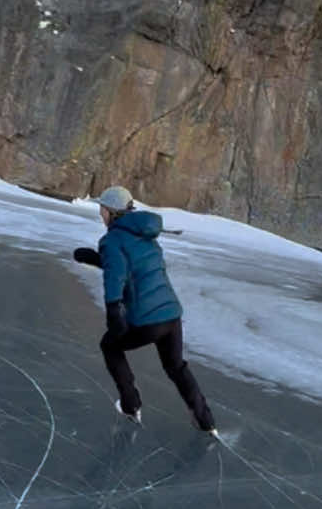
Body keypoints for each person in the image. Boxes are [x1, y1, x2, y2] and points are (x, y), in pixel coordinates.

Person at [73, 185, 216, 433]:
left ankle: (131, 404)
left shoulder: (113, 239)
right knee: (175, 366)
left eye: (102, 209)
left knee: (110, 345)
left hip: (147, 320)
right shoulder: (146, 235)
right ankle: (206, 421)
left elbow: (116, 277)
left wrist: (114, 311)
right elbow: (134, 267)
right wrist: (97, 259)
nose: (100, 214)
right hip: (171, 315)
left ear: (111, 212)